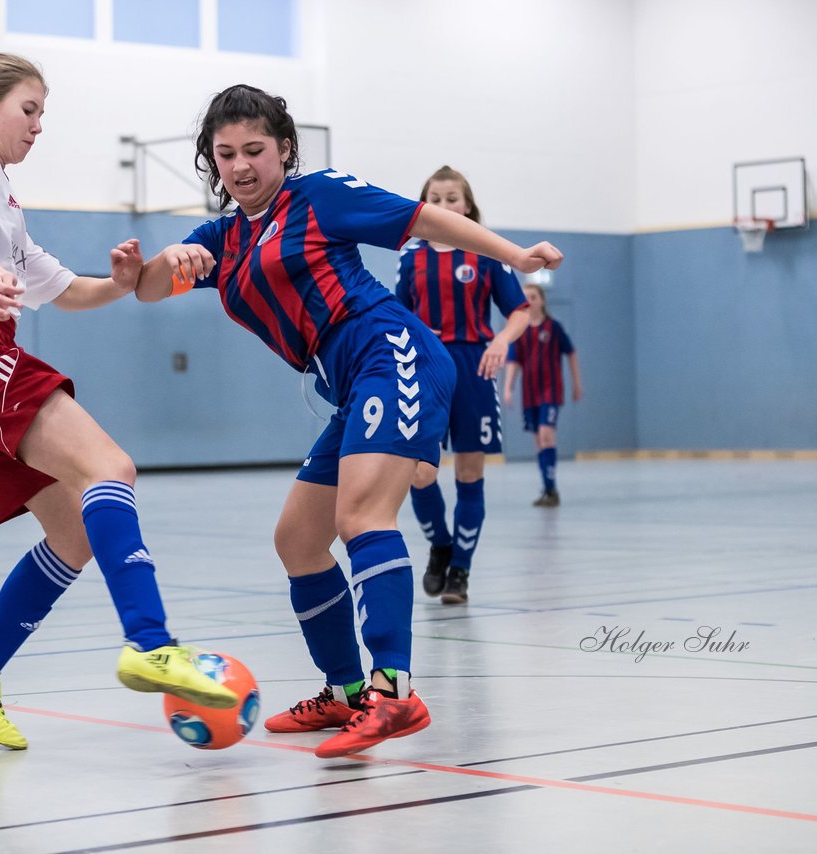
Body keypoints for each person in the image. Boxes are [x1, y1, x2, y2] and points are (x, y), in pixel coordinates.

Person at [132, 84, 562, 758]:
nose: (240, 166)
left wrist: (514, 256)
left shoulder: (319, 194)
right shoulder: (223, 236)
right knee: (298, 541)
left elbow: (422, 219)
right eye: (225, 154)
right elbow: (153, 287)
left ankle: (394, 692)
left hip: (392, 353)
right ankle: (343, 692)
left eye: (254, 150)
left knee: (360, 517)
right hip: (350, 383)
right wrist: (152, 267)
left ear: (284, 150)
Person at [0, 53, 237, 751]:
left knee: (76, 533)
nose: (37, 126)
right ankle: (150, 642)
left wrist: (121, 281)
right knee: (110, 468)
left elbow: (66, 291)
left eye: (42, 115)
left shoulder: (7, 209)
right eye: (29, 110)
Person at [395, 166, 532, 606]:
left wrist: (501, 342)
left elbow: (520, 311)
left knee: (470, 473)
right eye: (434, 198)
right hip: (426, 371)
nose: (444, 206)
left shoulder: (485, 254)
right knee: (419, 473)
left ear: (467, 205)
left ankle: (461, 571)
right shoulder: (410, 257)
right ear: (424, 204)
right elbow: (397, 315)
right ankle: (441, 546)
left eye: (452, 198)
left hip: (475, 366)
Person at [504, 282, 582, 506]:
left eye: (534, 297)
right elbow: (514, 361)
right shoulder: (520, 331)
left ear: (542, 301)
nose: (530, 301)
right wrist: (508, 388)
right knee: (539, 440)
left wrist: (577, 383)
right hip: (530, 393)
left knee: (547, 434)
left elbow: (571, 353)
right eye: (526, 297)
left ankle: (552, 489)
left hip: (551, 391)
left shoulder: (553, 327)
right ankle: (547, 488)